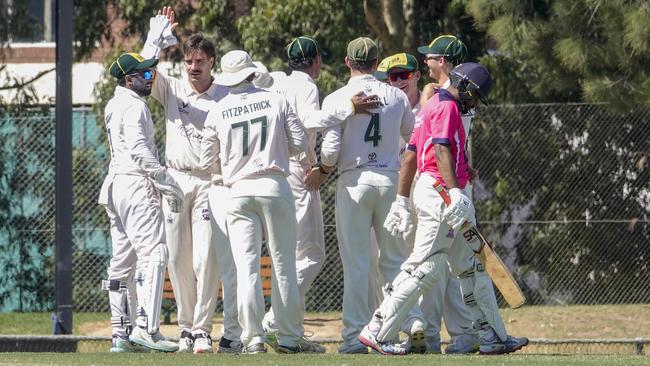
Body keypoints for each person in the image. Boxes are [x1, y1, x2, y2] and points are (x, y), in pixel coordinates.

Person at [358, 62, 529, 355]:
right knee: (424, 267)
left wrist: (402, 199)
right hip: (442, 194)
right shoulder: (447, 107)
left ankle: (492, 336)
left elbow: (411, 156)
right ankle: (377, 329)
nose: (474, 104)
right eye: (474, 96)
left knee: (471, 267)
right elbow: (440, 151)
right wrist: (453, 192)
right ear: (465, 86)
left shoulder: (429, 107)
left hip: (439, 190)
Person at [261, 36, 382, 353]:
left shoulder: (275, 82)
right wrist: (348, 107)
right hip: (298, 171)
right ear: (315, 61)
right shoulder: (307, 87)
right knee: (311, 256)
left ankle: (291, 332)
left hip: (271, 169)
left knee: (288, 255)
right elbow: (307, 122)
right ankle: (275, 320)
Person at [140, 8, 242, 353]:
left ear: (212, 62)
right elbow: (142, 70)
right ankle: (185, 328)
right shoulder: (172, 89)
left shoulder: (226, 96)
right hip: (175, 181)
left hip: (209, 183)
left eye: (200, 61)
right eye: (189, 61)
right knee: (178, 258)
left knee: (205, 258)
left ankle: (202, 329)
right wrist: (158, 34)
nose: (194, 67)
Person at [199, 50, 313, 354]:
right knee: (283, 264)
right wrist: (277, 153)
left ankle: (253, 339)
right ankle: (289, 337)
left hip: (237, 190)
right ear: (251, 73)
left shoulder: (218, 110)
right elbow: (301, 143)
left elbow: (206, 160)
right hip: (275, 184)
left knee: (246, 268)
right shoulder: (277, 98)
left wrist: (231, 166)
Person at [315, 37, 416, 354]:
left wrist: (322, 169)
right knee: (395, 262)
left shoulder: (337, 97)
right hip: (389, 178)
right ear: (377, 63)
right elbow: (412, 138)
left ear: (347, 62)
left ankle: (353, 337)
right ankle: (402, 328)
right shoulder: (397, 95)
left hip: (353, 181)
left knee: (357, 264)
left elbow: (330, 150)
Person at [99, 52, 183, 353]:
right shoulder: (135, 106)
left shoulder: (114, 103)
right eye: (146, 75)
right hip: (136, 183)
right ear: (129, 79)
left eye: (152, 73)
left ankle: (120, 334)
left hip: (115, 185)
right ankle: (147, 329)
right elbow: (138, 148)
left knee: (121, 262)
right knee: (155, 253)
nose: (152, 79)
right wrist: (165, 179)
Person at [413, 35, 481, 354]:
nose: (425, 61)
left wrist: (458, 185)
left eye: (431, 57)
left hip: (447, 186)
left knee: (453, 267)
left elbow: (444, 145)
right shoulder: (449, 95)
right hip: (448, 185)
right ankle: (432, 334)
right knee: (441, 267)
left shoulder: (437, 96)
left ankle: (458, 335)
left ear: (444, 62)